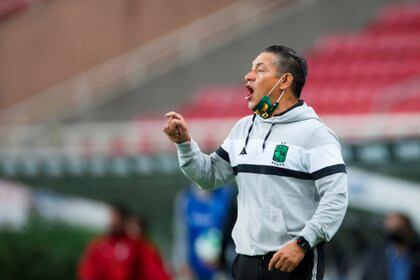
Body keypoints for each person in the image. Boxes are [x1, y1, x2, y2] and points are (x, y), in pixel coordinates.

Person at [163, 45, 348, 280]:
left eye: (260, 70)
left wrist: (302, 243)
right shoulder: (243, 128)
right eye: (251, 69)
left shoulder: (315, 134)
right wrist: (185, 144)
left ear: (284, 81)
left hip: (292, 260)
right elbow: (210, 177)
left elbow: (336, 197)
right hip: (245, 261)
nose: (249, 76)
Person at [172, 184, 235, 280]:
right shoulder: (185, 198)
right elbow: (181, 235)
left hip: (222, 270)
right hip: (193, 271)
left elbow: (234, 235)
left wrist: (225, 261)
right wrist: (182, 263)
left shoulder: (227, 195)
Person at [78, 203, 138, 280]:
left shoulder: (135, 246)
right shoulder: (98, 243)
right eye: (111, 217)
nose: (113, 222)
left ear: (124, 221)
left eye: (116, 218)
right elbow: (86, 271)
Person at [361, 212, 420, 280]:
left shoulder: (415, 256)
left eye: (399, 228)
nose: (395, 231)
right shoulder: (375, 255)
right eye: (391, 228)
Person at [125, 215, 171, 280]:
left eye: (134, 227)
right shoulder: (123, 247)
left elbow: (158, 273)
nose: (130, 231)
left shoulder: (147, 250)